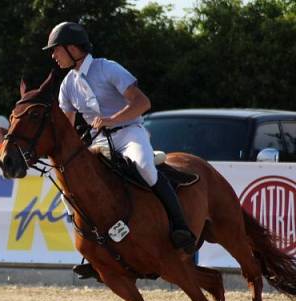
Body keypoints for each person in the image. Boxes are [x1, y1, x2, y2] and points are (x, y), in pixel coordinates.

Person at [42, 22, 197, 278]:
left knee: (145, 167)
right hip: (99, 142)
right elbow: (66, 128)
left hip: (129, 133)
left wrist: (112, 119)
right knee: (69, 193)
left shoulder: (107, 68)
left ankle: (181, 229)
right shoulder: (67, 85)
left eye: (56, 50)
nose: (53, 55)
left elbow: (142, 102)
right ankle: (95, 251)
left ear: (72, 48)